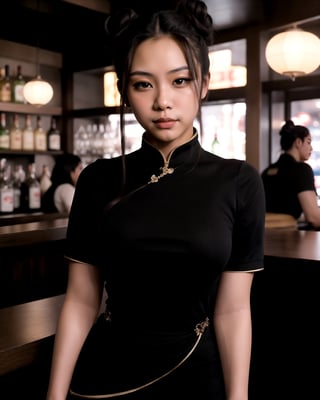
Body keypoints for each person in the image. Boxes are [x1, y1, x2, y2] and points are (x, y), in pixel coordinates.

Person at [46, 1, 265, 399]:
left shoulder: (239, 181)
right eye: (143, 83)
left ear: (204, 84)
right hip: (105, 376)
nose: (162, 101)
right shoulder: (97, 179)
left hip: (197, 373)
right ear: (125, 92)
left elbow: (233, 311)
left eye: (179, 81)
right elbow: (81, 300)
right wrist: (54, 395)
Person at [261, 120, 320, 229]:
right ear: (298, 142)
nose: (311, 148)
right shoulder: (302, 170)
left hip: (264, 240)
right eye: (308, 142)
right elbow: (314, 218)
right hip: (288, 241)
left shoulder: (266, 172)